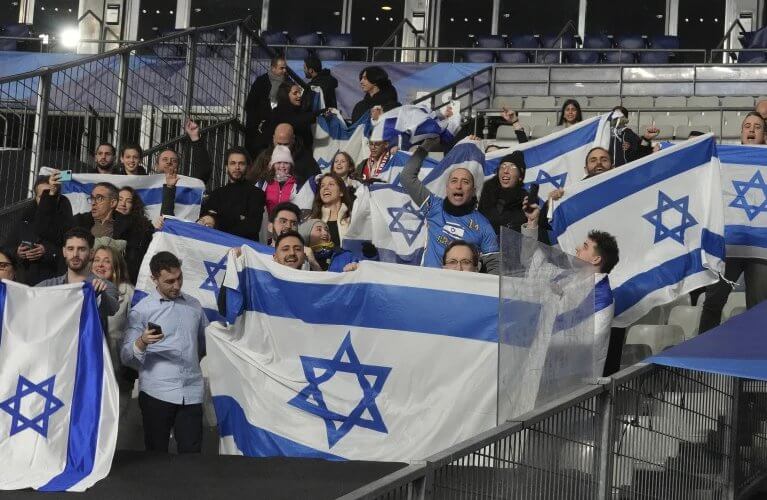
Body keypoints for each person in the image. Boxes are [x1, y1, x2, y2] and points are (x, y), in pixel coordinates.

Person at [121, 251, 208, 454]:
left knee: (192, 457)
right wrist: (142, 341)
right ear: (154, 279)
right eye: (169, 281)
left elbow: (203, 346)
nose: (176, 286)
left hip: (192, 393)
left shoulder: (195, 306)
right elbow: (126, 356)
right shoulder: (141, 311)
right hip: (156, 394)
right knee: (156, 458)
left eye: (179, 279)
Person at [699, 112, 767, 334]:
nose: (751, 130)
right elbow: (697, 161)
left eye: (757, 126)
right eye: (747, 125)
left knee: (758, 309)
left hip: (762, 248)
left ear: (764, 134)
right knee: (713, 301)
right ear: (741, 132)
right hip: (730, 244)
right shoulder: (724, 158)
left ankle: (756, 360)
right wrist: (666, 148)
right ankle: (703, 354)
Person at [401, 138, 499, 268]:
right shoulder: (433, 206)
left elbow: (494, 266)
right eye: (454, 181)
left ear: (473, 191)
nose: (458, 186)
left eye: (465, 182)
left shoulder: (484, 226)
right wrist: (426, 146)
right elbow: (406, 176)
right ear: (447, 188)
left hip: (461, 286)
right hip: (429, 283)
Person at [36, 227, 119, 325]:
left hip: (87, 340)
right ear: (64, 252)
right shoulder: (48, 286)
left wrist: (100, 294)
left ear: (91, 253)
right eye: (70, 249)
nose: (75, 254)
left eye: (81, 249)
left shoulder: (104, 286)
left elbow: (112, 309)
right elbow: (24, 300)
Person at [73, 182, 152, 284]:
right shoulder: (79, 222)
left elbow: (133, 264)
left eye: (99, 198)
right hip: (81, 282)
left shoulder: (132, 228)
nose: (93, 203)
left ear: (113, 203)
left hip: (115, 285)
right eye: (92, 198)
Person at [92, 244, 135, 414]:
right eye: (96, 260)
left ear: (116, 265)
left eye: (106, 261)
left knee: (115, 422)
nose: (100, 265)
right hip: (91, 368)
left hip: (118, 371)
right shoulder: (82, 288)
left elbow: (135, 332)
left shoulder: (128, 292)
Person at [9, 173, 73, 285]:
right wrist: (18, 252)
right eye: (42, 196)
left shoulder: (67, 222)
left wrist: (48, 251)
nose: (46, 199)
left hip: (55, 283)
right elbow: (7, 248)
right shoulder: (24, 221)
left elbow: (73, 252)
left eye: (50, 194)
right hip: (26, 283)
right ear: (35, 198)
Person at [202, 146, 266, 242]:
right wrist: (239, 217)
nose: (237, 167)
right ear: (226, 167)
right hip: (217, 247)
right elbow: (205, 222)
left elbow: (252, 227)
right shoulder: (216, 194)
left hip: (245, 249)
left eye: (241, 163)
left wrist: (219, 218)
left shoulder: (257, 194)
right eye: (233, 163)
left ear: (248, 167)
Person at [248, 123, 321, 186]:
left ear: (293, 139)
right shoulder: (264, 156)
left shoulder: (306, 159)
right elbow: (252, 180)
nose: (282, 147)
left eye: (286, 144)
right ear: (273, 139)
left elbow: (316, 183)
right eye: (279, 143)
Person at [260, 82, 324, 154]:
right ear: (286, 95)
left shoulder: (299, 111)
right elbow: (294, 121)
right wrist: (317, 114)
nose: (299, 96)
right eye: (295, 93)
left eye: (299, 92)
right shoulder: (279, 112)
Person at [478, 151, 530, 235]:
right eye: (502, 166)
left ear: (520, 176)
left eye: (512, 167)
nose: (505, 170)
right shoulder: (487, 193)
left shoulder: (526, 200)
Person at [245, 55, 287, 157]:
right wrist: (259, 122)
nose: (284, 71)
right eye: (281, 68)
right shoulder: (261, 82)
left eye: (285, 68)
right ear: (273, 68)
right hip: (261, 132)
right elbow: (250, 104)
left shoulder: (287, 84)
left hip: (278, 130)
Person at [309, 173, 354, 248]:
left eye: (331, 184)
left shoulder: (353, 218)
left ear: (341, 192)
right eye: (322, 186)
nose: (325, 188)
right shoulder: (312, 221)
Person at [257, 145, 298, 216]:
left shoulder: (297, 184)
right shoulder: (264, 183)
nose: (282, 166)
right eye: (278, 162)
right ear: (273, 165)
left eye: (286, 162)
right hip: (267, 224)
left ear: (290, 165)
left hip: (288, 224)